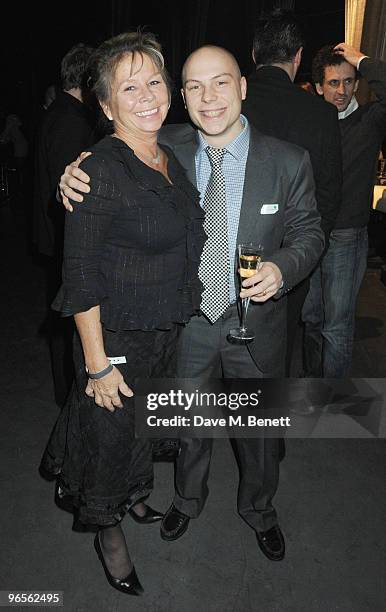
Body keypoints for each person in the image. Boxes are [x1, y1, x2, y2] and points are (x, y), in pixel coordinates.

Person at [60, 44, 325, 562]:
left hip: (258, 326)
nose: (209, 98)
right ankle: (187, 498)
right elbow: (110, 169)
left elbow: (310, 233)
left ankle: (260, 510)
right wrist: (70, 175)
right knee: (190, 427)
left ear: (243, 86)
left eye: (221, 82)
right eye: (195, 87)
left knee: (259, 434)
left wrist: (283, 267)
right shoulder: (166, 147)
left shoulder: (289, 161)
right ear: (182, 96)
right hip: (189, 323)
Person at [40, 31, 205, 596]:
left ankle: (134, 497)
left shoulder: (168, 154)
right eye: (128, 88)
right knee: (108, 443)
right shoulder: (101, 171)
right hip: (115, 340)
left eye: (155, 81)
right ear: (106, 107)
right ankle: (108, 536)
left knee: (138, 433)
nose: (146, 96)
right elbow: (79, 277)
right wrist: (97, 364)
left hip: (161, 332)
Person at [242, 9, 342, 375]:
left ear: (254, 55)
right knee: (278, 349)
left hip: (232, 248)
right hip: (293, 253)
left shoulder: (227, 103)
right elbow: (330, 194)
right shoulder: (321, 114)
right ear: (298, 56)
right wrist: (311, 250)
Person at [302, 43, 386, 377]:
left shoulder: (369, 120)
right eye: (334, 83)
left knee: (336, 327)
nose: (342, 90)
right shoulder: (309, 124)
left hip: (347, 236)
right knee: (310, 320)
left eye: (349, 81)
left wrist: (362, 60)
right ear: (319, 87)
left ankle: (334, 402)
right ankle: (310, 388)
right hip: (309, 235)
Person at [33, 43, 96, 407]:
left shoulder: (60, 111)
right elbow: (68, 194)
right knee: (67, 325)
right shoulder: (71, 120)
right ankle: (70, 398)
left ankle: (68, 395)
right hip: (63, 240)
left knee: (63, 322)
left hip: (53, 237)